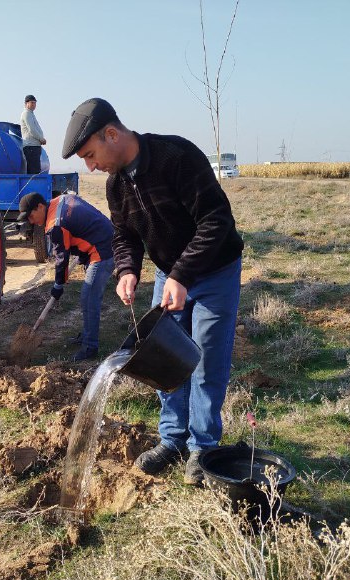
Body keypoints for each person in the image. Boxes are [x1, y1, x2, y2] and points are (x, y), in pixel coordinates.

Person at [62, 98, 244, 485]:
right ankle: (172, 439)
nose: (91, 166)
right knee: (162, 357)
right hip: (169, 275)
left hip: (214, 272)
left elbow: (215, 221)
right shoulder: (116, 185)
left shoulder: (176, 157)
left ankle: (203, 447)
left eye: (91, 155)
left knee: (207, 359)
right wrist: (127, 270)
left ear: (111, 134)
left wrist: (181, 274)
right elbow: (124, 236)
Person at [18, 191, 114, 361]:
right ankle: (87, 335)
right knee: (87, 298)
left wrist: (58, 286)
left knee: (89, 297)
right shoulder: (59, 201)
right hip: (100, 238)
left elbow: (62, 258)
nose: (31, 222)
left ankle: (90, 348)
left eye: (31, 216)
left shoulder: (55, 224)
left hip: (103, 248)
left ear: (40, 206)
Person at [20, 95, 46, 174]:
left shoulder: (31, 114)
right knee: (33, 171)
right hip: (31, 146)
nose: (34, 105)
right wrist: (41, 139)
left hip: (34, 146)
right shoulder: (26, 114)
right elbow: (32, 130)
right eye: (32, 103)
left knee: (35, 170)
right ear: (26, 103)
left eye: (35, 103)